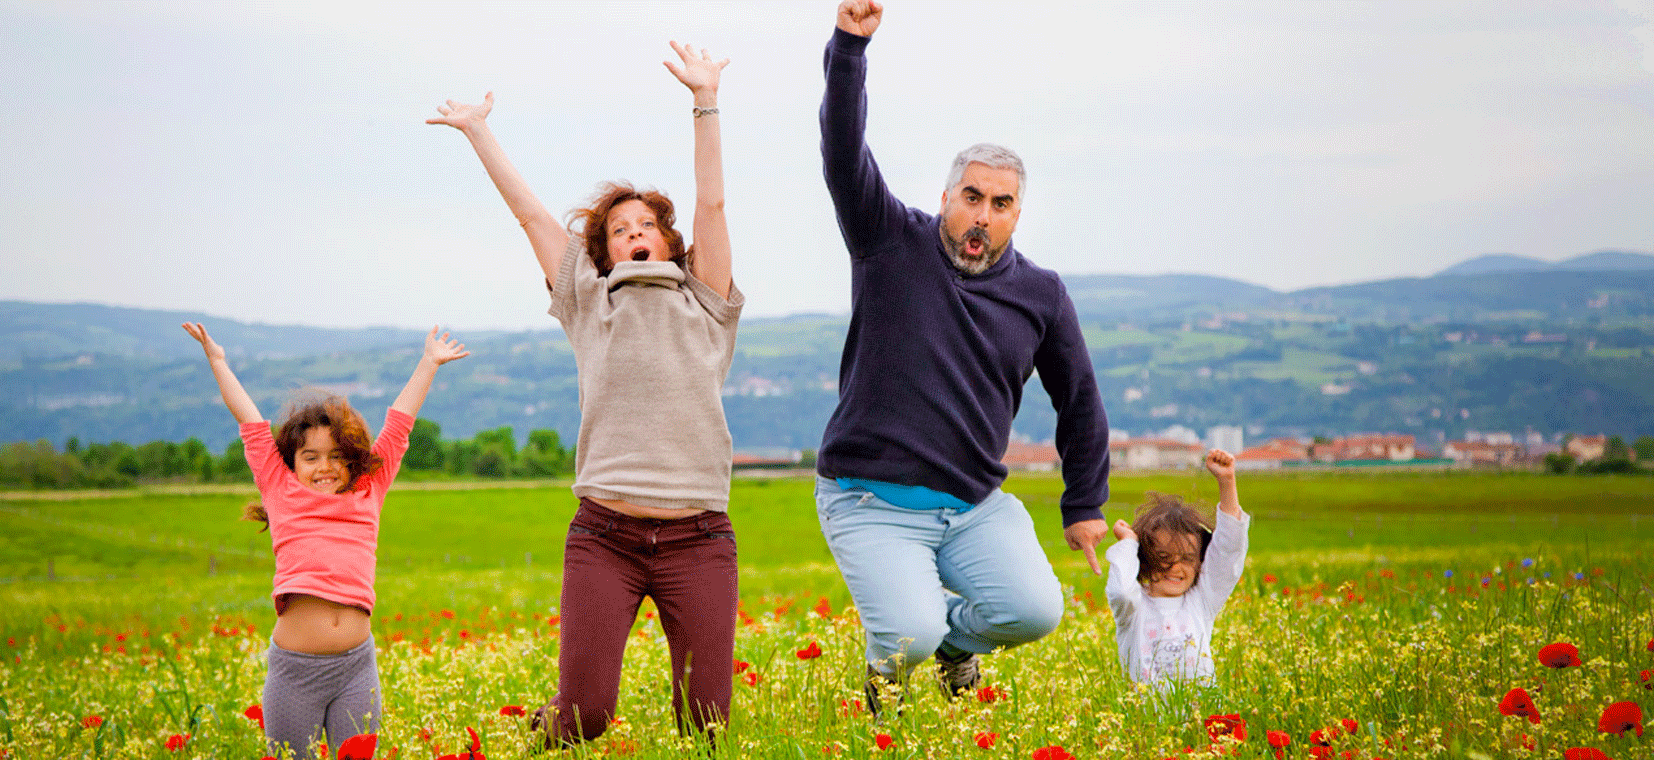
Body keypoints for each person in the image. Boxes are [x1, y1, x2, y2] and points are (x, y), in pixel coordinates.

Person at [427, 41, 744, 746]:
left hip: (699, 539)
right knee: (586, 719)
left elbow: (714, 202)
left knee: (707, 723)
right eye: (618, 230)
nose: (634, 234)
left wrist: (705, 100)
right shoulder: (586, 301)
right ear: (604, 252)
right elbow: (534, 220)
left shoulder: (708, 302)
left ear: (669, 243)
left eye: (646, 227)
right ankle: (545, 731)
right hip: (606, 536)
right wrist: (479, 130)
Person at [815, 0, 1113, 711]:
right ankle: (897, 672)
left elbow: (1078, 398)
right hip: (870, 498)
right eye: (971, 197)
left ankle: (955, 649)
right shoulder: (888, 240)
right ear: (945, 196)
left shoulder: (1040, 293)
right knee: (907, 634)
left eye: (1001, 203)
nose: (982, 216)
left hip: (975, 506)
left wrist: (1085, 502)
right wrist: (850, 48)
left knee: (1036, 611)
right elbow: (841, 148)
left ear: (1017, 212)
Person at [182, 321, 469, 760]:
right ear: (291, 463)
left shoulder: (369, 489)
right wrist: (218, 362)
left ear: (353, 459)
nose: (325, 467)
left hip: (357, 665)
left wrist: (428, 363)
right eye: (311, 457)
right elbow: (250, 422)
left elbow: (399, 426)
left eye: (337, 455)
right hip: (295, 671)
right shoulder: (280, 489)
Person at [1105, 449, 1250, 685]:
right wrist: (1129, 544)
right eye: (1164, 556)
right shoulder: (1133, 608)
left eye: (1187, 558)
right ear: (1144, 557)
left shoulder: (1201, 600)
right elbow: (1120, 590)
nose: (1176, 568)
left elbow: (1227, 552)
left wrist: (1227, 482)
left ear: (1200, 562)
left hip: (1202, 715)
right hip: (1149, 719)